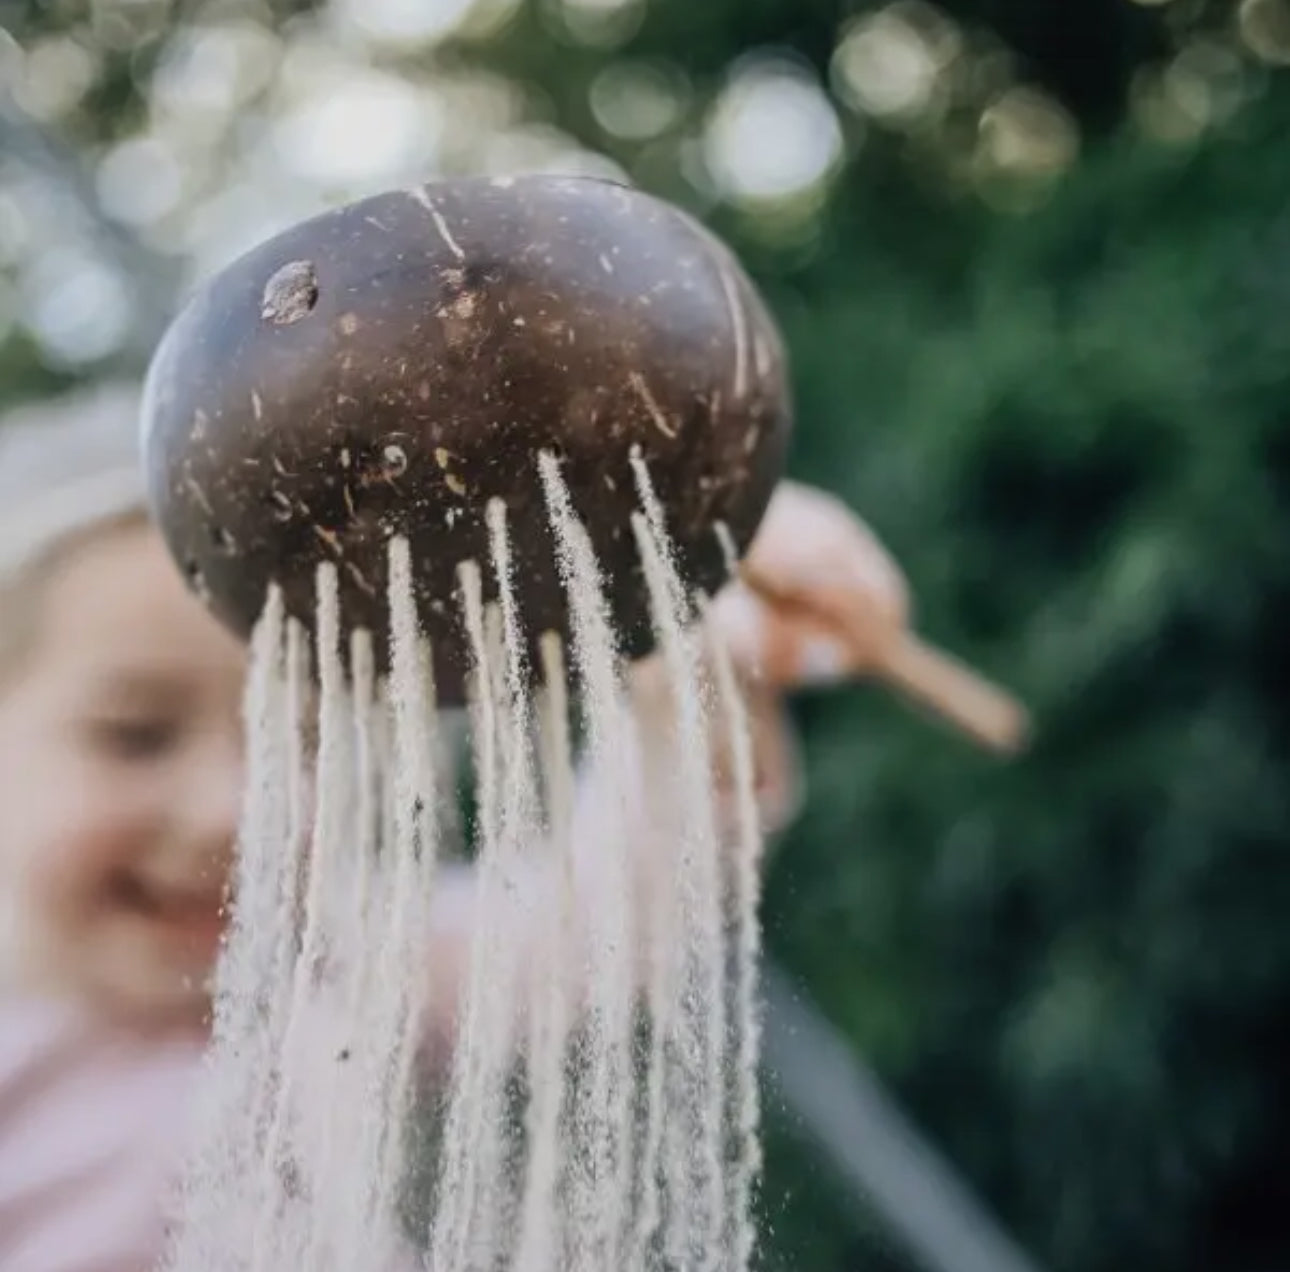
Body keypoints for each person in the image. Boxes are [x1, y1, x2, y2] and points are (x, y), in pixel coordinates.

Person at [0, 383, 906, 1270]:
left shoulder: (329, 963)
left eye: (303, 743)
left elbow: (596, 924)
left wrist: (703, 646)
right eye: (135, 736)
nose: (233, 811)